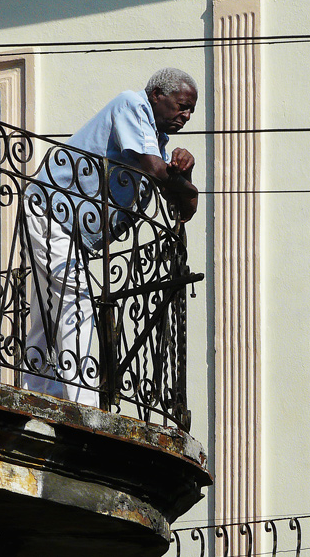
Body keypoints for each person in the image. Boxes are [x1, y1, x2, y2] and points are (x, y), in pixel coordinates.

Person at [21, 67, 199, 406]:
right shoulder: (131, 104)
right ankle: (82, 405)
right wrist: (181, 183)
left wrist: (184, 175)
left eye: (190, 110)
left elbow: (180, 203)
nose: (186, 116)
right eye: (181, 106)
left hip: (68, 224)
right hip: (54, 209)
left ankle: (37, 390)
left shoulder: (157, 142)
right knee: (76, 302)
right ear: (156, 96)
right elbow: (157, 173)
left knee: (50, 309)